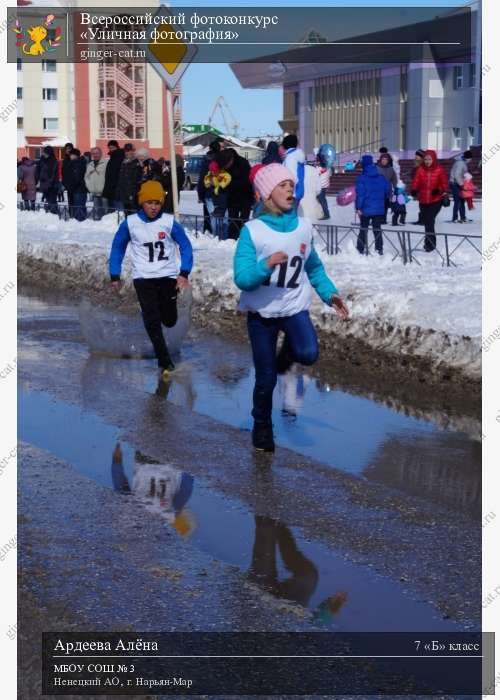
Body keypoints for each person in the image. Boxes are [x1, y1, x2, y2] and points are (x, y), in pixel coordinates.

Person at [233, 163, 349, 452]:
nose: (290, 190)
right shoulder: (253, 231)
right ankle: (261, 426)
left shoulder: (303, 227)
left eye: (290, 185)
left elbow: (314, 268)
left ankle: (286, 352)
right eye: (282, 186)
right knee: (266, 378)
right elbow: (243, 278)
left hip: (295, 306)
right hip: (262, 314)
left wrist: (330, 295)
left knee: (308, 353)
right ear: (265, 194)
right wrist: (266, 266)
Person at [109, 180, 193, 379]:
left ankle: (165, 338)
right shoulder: (130, 224)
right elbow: (117, 248)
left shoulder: (169, 222)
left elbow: (186, 246)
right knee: (152, 319)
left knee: (169, 320)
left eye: (157, 202)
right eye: (149, 202)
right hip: (143, 278)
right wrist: (115, 274)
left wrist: (184, 272)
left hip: (167, 276)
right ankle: (164, 360)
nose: (154, 207)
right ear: (142, 202)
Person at [411, 149, 448, 252]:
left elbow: (444, 184)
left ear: (434, 159)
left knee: (429, 221)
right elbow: (416, 181)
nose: (427, 161)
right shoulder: (420, 169)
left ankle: (430, 244)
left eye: (429, 159)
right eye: (426, 159)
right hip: (423, 200)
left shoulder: (440, 170)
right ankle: (429, 243)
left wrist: (439, 190)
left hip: (436, 200)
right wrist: (413, 189)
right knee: (427, 222)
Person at [355, 154, 391, 255]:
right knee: (377, 228)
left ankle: (360, 248)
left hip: (365, 209)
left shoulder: (361, 178)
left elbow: (360, 195)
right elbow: (387, 190)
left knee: (363, 229)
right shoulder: (381, 177)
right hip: (379, 209)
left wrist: (358, 207)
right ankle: (379, 248)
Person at [203, 150, 232, 240]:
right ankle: (217, 236)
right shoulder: (210, 175)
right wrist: (210, 181)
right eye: (212, 171)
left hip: (222, 199)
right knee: (214, 218)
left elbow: (224, 182)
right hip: (212, 198)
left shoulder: (224, 174)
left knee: (224, 219)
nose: (213, 173)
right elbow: (206, 183)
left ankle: (224, 237)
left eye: (215, 171)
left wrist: (217, 184)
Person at [225, 147, 253, 240]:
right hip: (233, 197)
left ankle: (241, 236)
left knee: (243, 218)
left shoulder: (242, 163)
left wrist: (230, 184)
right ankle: (233, 237)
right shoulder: (229, 164)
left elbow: (247, 180)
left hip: (245, 195)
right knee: (233, 218)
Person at [197, 138, 224, 234]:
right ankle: (221, 235)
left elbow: (201, 180)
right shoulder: (223, 160)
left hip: (209, 193)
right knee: (221, 216)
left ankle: (213, 233)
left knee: (211, 216)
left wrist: (200, 195)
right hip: (222, 192)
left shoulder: (206, 161)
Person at [116, 143, 143, 215]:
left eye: (129, 150)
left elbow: (139, 180)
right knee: (127, 214)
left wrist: (134, 193)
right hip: (124, 193)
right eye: (126, 151)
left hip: (134, 195)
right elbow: (121, 179)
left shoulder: (138, 163)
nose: (127, 152)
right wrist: (119, 192)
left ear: (133, 151)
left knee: (135, 215)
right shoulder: (123, 163)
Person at [84, 147, 108, 220]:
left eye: (97, 153)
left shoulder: (106, 163)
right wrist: (89, 187)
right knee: (97, 211)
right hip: (94, 192)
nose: (95, 155)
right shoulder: (90, 164)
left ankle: (107, 224)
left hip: (104, 192)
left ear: (101, 153)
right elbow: (86, 177)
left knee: (106, 211)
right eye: (93, 153)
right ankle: (98, 224)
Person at [449, 149, 473, 223]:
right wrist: (462, 184)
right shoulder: (460, 163)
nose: (471, 160)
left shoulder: (462, 162)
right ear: (467, 158)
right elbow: (457, 175)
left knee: (462, 201)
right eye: (470, 158)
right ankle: (455, 218)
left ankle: (463, 217)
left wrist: (468, 177)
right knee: (457, 201)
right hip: (455, 183)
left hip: (458, 183)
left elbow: (462, 173)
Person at [65, 148, 88, 221]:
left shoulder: (77, 164)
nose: (70, 156)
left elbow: (77, 178)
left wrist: (71, 187)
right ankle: (79, 220)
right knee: (79, 207)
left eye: (71, 155)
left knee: (79, 207)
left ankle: (80, 221)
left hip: (79, 189)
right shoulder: (77, 163)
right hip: (77, 189)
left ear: (75, 155)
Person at [282, 134, 305, 204]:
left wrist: (289, 193)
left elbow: (291, 176)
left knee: (289, 214)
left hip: (292, 193)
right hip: (297, 190)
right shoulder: (296, 155)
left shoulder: (290, 157)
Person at [102, 139, 125, 213]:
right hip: (111, 188)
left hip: (117, 188)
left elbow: (117, 173)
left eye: (113, 147)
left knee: (118, 212)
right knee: (113, 211)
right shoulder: (112, 158)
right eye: (110, 147)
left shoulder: (120, 156)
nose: (111, 149)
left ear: (117, 147)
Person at [35, 145, 59, 214]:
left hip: (53, 185)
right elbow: (38, 171)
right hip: (44, 184)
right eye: (43, 152)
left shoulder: (54, 161)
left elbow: (54, 174)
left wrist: (51, 182)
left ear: (49, 153)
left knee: (52, 200)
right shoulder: (41, 161)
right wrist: (39, 178)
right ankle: (50, 214)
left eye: (45, 152)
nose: (43, 154)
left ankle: (54, 214)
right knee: (48, 200)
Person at [376, 152, 397, 224]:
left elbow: (394, 179)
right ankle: (377, 219)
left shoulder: (391, 169)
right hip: (377, 190)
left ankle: (383, 219)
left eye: (386, 159)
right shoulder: (376, 168)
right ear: (380, 160)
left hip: (387, 190)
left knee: (385, 205)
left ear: (388, 161)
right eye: (383, 159)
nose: (384, 161)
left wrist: (395, 187)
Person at [410, 149, 426, 224]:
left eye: (418, 156)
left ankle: (423, 220)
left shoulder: (423, 166)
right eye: (416, 155)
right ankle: (421, 219)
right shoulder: (417, 165)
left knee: (424, 204)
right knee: (421, 204)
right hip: (418, 187)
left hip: (423, 188)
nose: (416, 157)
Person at [61, 142, 75, 216]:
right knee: (70, 201)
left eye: (69, 149)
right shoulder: (65, 159)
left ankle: (75, 215)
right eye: (66, 149)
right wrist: (64, 183)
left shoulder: (74, 158)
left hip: (75, 184)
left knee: (75, 201)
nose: (68, 150)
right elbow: (64, 172)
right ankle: (71, 215)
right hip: (68, 184)